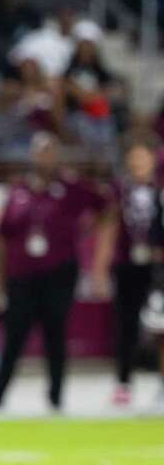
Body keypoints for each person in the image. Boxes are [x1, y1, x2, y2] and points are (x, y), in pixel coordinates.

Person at [0, 132, 107, 411]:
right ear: (32, 155)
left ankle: (55, 397)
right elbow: (3, 238)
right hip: (21, 274)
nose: (45, 157)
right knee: (14, 336)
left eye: (50, 152)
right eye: (40, 151)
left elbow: (105, 206)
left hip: (59, 273)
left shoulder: (73, 187)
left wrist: (88, 229)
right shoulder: (18, 190)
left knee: (56, 334)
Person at [94, 137, 164, 406]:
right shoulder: (119, 191)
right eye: (134, 158)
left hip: (157, 267)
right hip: (127, 265)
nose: (138, 164)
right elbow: (108, 229)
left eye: (143, 158)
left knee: (161, 329)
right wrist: (100, 269)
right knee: (126, 326)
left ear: (153, 160)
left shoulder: (160, 190)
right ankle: (124, 382)